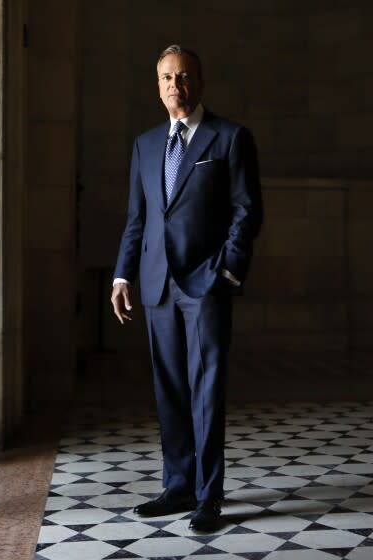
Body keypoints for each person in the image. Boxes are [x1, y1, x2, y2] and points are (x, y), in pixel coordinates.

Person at [110, 44, 262, 532]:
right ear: (157, 85)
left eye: (184, 76)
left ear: (200, 81)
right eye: (166, 77)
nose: (175, 84)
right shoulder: (145, 144)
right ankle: (177, 486)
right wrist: (121, 274)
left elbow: (247, 211)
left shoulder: (231, 138)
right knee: (170, 388)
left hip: (205, 284)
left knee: (206, 388)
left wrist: (228, 270)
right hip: (156, 285)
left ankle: (208, 494)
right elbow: (138, 219)